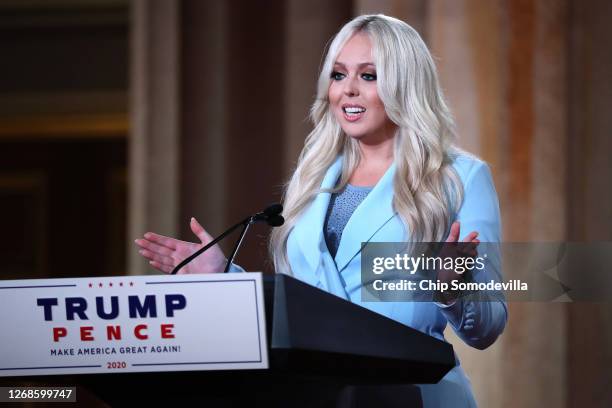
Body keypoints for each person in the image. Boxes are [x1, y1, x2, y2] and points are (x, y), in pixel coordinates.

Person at [135, 14, 507, 407]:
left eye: (368, 76)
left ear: (405, 84)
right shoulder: (312, 178)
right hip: (315, 394)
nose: (347, 91)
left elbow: (487, 328)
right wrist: (226, 276)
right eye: (338, 75)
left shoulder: (459, 177)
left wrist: (453, 287)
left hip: (411, 394)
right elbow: (302, 306)